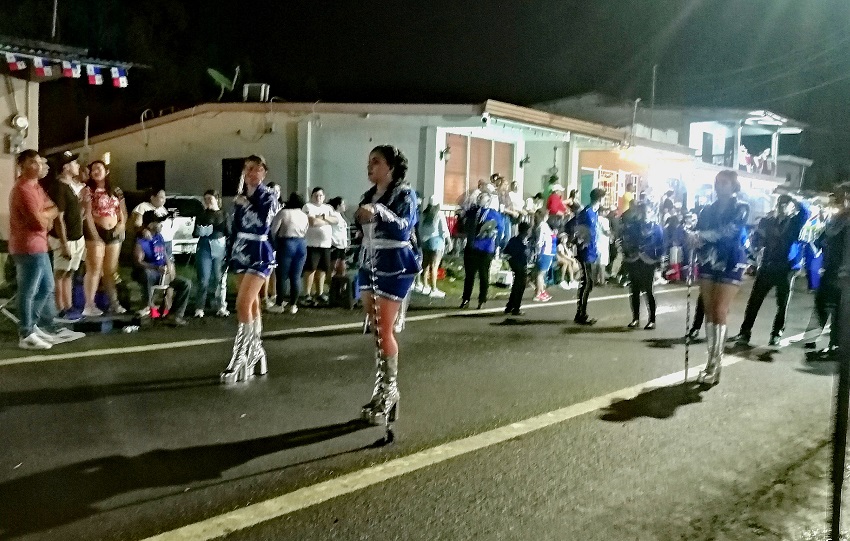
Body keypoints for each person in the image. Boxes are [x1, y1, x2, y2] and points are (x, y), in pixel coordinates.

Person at [356, 145, 420, 427]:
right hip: (369, 261)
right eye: (369, 162)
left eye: (376, 162)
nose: (370, 167)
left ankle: (388, 391)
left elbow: (404, 228)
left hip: (394, 263)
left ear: (391, 167)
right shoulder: (367, 196)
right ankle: (382, 387)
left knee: (384, 328)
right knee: (376, 329)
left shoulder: (405, 194)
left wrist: (379, 211)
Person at [9, 150, 85, 349]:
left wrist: (45, 215)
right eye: (33, 162)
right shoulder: (23, 189)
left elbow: (53, 209)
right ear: (22, 166)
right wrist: (46, 217)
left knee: (46, 287)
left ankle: (32, 326)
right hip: (27, 247)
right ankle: (25, 333)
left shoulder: (37, 187)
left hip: (39, 245)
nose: (39, 166)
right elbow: (38, 223)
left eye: (39, 162)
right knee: (28, 290)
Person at [220, 155, 280, 384]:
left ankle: (240, 356)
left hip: (259, 251)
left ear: (264, 172)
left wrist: (246, 204)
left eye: (256, 169)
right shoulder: (240, 197)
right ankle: (256, 350)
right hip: (240, 250)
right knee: (251, 303)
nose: (250, 173)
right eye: (247, 169)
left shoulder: (268, 196)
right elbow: (233, 227)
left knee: (242, 303)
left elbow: (263, 222)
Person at [691, 170, 749, 386]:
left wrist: (701, 236)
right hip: (708, 259)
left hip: (731, 259)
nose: (719, 186)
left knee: (719, 310)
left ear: (734, 186)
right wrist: (694, 240)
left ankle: (716, 363)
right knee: (708, 311)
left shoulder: (741, 207)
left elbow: (730, 231)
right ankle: (709, 361)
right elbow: (700, 231)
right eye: (717, 182)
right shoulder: (708, 209)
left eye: (724, 183)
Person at [731, 193, 809, 346]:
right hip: (767, 264)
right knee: (754, 301)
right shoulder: (767, 222)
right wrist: (754, 249)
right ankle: (744, 332)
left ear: (791, 207)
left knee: (782, 303)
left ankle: (776, 334)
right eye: (780, 203)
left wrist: (795, 199)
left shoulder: (794, 222)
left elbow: (805, 212)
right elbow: (758, 240)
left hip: (786, 268)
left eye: (785, 204)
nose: (781, 206)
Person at [804, 184, 850, 356]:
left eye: (846, 197)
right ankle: (816, 337)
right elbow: (824, 238)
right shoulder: (837, 219)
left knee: (839, 309)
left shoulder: (844, 220)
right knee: (824, 302)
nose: (843, 201)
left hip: (843, 271)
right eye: (841, 197)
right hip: (831, 268)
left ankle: (836, 345)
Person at [81, 160, 128, 316]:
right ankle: (89, 304)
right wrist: (94, 234)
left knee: (110, 270)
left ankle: (114, 303)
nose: (95, 171)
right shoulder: (88, 190)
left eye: (99, 168)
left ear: (106, 171)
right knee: (94, 269)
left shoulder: (116, 190)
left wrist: (121, 225)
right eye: (93, 169)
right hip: (96, 231)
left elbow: (123, 212)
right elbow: (87, 214)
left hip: (113, 232)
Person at [133, 211, 192, 326]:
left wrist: (169, 265)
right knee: (147, 273)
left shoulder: (159, 236)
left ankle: (175, 316)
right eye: (158, 222)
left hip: (162, 273)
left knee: (186, 284)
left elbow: (164, 254)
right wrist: (156, 268)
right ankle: (147, 306)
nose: (161, 225)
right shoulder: (141, 240)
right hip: (151, 272)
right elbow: (138, 262)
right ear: (150, 225)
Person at [47, 151, 86, 322]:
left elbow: (74, 214)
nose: (78, 166)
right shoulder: (59, 187)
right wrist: (63, 244)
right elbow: (59, 219)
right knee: (61, 273)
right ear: (65, 167)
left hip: (77, 237)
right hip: (66, 239)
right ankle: (60, 308)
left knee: (70, 272)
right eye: (74, 163)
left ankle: (69, 305)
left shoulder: (70, 185)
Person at [622, 202, 664, 329]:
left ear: (652, 213)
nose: (645, 215)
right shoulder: (633, 227)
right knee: (634, 290)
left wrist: (659, 263)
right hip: (635, 260)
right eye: (643, 212)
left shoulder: (657, 228)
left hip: (649, 261)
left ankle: (652, 320)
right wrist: (628, 253)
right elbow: (626, 241)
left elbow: (661, 246)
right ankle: (635, 318)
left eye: (648, 212)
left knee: (648, 291)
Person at [460, 191, 504, 309]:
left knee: (484, 275)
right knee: (469, 275)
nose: (479, 199)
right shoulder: (472, 211)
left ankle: (482, 300)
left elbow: (500, 229)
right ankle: (466, 299)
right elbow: (465, 223)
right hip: (471, 246)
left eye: (482, 198)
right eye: (479, 197)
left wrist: (492, 232)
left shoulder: (494, 214)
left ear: (488, 201)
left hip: (486, 248)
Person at [269, 192, 309, 314]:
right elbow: (306, 229)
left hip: (286, 243)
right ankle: (293, 305)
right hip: (301, 243)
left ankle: (280, 303)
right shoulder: (304, 215)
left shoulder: (283, 213)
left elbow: (273, 230)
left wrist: (274, 243)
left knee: (282, 276)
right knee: (296, 276)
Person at [572, 187, 606, 325]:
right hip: (586, 251)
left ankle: (580, 312)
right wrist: (581, 243)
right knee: (587, 282)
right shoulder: (586, 212)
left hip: (592, 250)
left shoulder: (593, 213)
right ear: (599, 199)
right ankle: (581, 314)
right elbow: (578, 229)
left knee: (588, 283)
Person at [194, 189, 230, 318]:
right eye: (206, 199)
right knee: (203, 279)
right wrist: (201, 230)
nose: (208, 201)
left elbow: (228, 232)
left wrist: (228, 250)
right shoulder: (202, 214)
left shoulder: (223, 214)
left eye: (210, 198)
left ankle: (221, 306)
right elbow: (195, 232)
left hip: (219, 246)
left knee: (219, 278)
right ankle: (199, 307)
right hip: (204, 246)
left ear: (217, 199)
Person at [302, 187, 338, 306]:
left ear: (324, 197)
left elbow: (336, 220)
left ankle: (320, 292)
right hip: (312, 244)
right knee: (310, 269)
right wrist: (327, 221)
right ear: (312, 196)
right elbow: (312, 222)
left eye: (320, 195)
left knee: (322, 269)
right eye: (316, 195)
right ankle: (307, 294)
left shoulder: (328, 208)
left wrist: (322, 218)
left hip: (326, 244)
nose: (318, 198)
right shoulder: (308, 207)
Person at [419, 195, 451, 297]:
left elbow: (420, 229)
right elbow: (444, 230)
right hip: (437, 242)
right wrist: (449, 241)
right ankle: (433, 289)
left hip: (425, 242)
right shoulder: (439, 214)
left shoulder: (423, 214)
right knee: (434, 266)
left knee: (425, 265)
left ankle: (425, 286)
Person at [503, 221, 531, 316]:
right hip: (520, 264)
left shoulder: (513, 240)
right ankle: (516, 307)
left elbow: (506, 251)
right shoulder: (523, 241)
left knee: (516, 285)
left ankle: (510, 305)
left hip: (514, 264)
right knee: (520, 286)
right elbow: (524, 253)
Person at [534, 209, 555, 302]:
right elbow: (540, 240)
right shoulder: (542, 226)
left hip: (548, 251)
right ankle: (538, 293)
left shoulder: (544, 225)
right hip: (545, 252)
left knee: (542, 273)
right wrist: (539, 252)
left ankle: (541, 290)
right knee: (540, 274)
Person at [327, 196, 349, 278]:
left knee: (342, 268)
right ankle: (329, 287)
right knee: (333, 268)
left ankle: (341, 288)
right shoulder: (333, 215)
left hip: (342, 245)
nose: (345, 206)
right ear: (338, 206)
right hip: (335, 245)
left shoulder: (340, 215)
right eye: (343, 204)